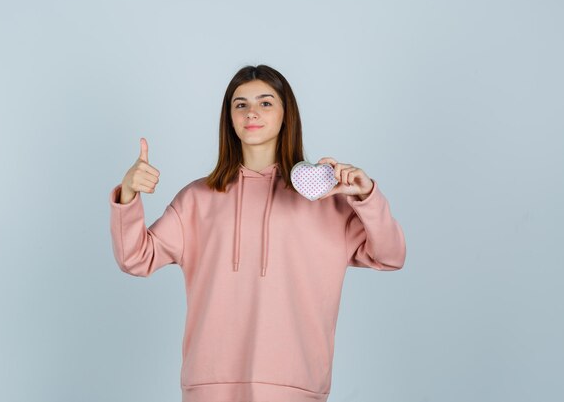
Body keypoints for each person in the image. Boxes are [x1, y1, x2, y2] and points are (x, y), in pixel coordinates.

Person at [109, 64, 406, 402]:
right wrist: (129, 194)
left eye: (265, 103)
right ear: (230, 119)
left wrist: (366, 197)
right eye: (240, 104)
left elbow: (391, 255)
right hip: (209, 387)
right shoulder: (197, 199)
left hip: (297, 387)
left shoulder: (326, 200)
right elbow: (136, 257)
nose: (252, 112)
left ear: (285, 115)